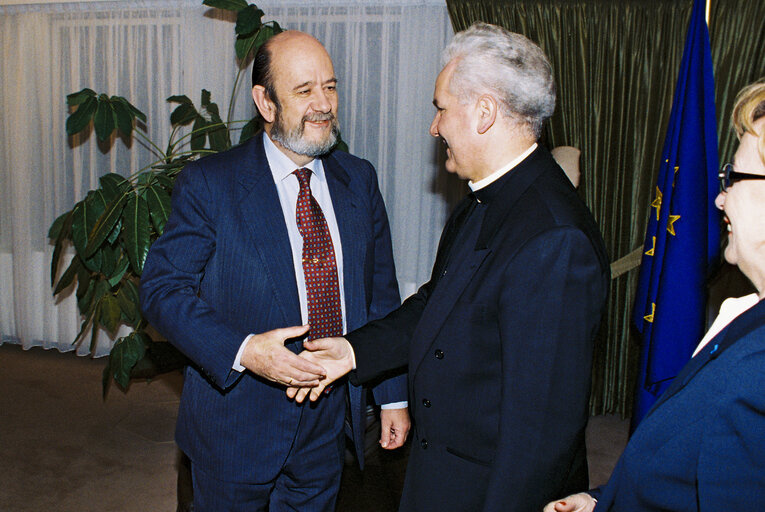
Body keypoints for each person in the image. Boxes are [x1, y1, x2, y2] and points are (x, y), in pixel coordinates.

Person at [289, 22, 610, 512]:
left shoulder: (555, 238)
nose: (435, 127)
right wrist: (354, 351)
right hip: (442, 473)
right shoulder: (483, 197)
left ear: (484, 113)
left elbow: (539, 434)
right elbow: (437, 305)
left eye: (441, 109)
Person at [139, 30, 409, 511]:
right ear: (265, 102)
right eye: (304, 91)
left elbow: (379, 295)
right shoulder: (210, 184)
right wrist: (244, 351)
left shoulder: (359, 179)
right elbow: (162, 290)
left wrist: (392, 397)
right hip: (236, 423)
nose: (323, 104)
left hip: (330, 425)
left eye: (330, 86)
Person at [545, 79, 765, 512]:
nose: (720, 200)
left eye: (733, 177)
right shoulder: (749, 316)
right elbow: (683, 473)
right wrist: (602, 503)